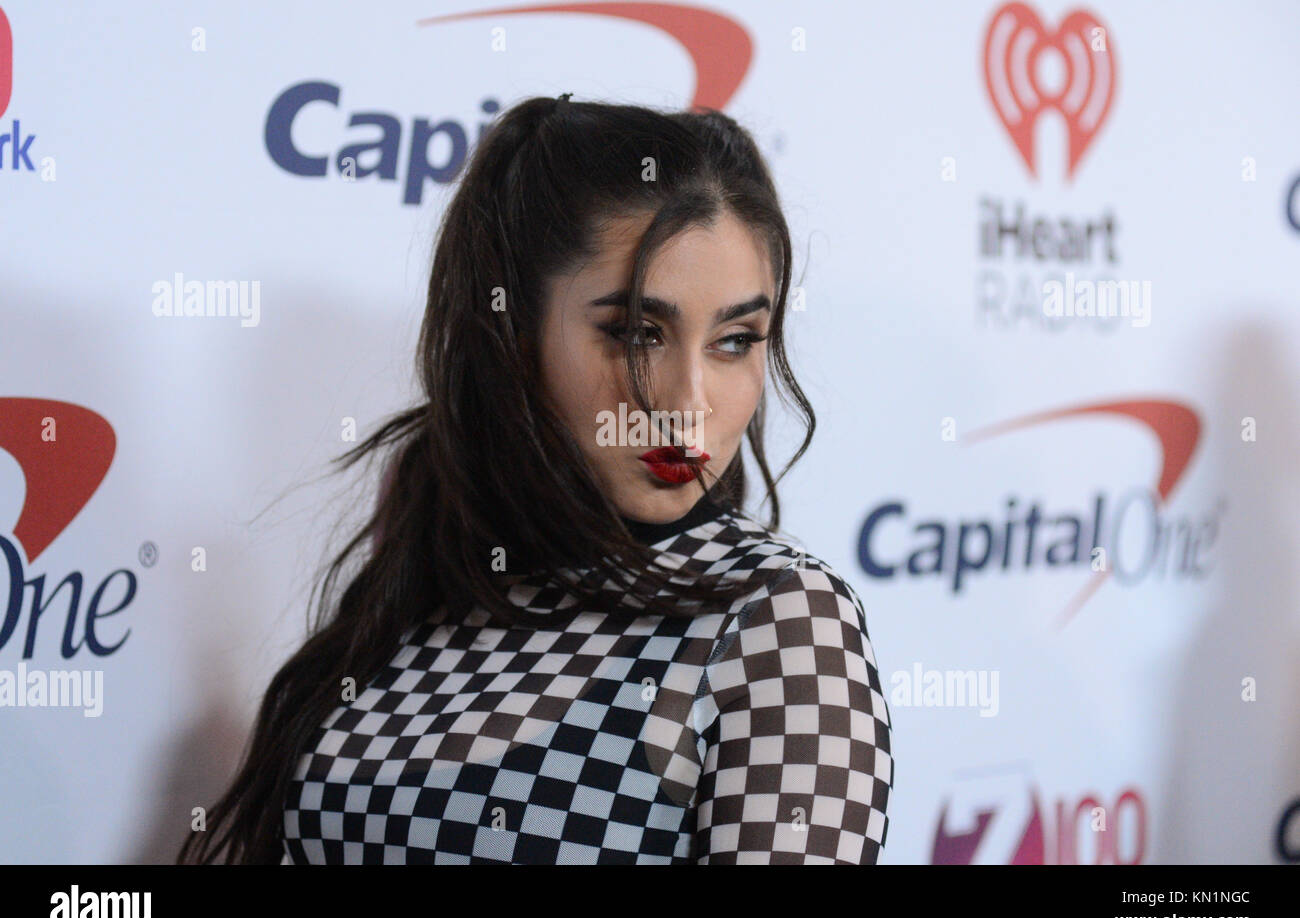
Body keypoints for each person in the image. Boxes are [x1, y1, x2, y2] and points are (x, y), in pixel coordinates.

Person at [179, 94, 893, 864]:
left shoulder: (777, 622)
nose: (687, 404)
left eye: (734, 340)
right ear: (515, 337)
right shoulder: (433, 567)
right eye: (636, 334)